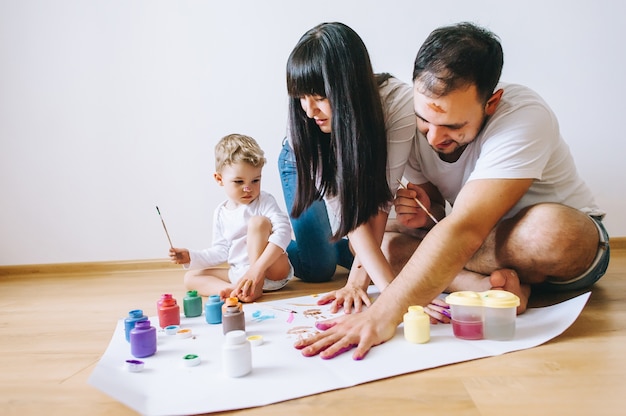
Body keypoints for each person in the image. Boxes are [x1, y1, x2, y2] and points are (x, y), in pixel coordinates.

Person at [295, 22, 610, 360]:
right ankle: (490, 287)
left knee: (547, 232)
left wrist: (384, 312)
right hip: (484, 251)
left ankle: (471, 280)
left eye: (453, 127)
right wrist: (424, 211)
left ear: (491, 103)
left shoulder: (524, 115)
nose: (433, 138)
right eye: (424, 121)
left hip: (557, 250)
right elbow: (441, 218)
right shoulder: (411, 121)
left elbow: (465, 229)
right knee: (383, 243)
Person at [278, 22, 416, 312]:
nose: (308, 110)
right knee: (319, 267)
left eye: (319, 97)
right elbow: (352, 218)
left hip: (355, 164)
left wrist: (374, 288)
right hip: (300, 161)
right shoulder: (307, 126)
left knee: (358, 247)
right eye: (301, 97)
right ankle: (267, 247)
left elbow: (378, 203)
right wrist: (393, 297)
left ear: (348, 89)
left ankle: (343, 247)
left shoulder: (399, 103)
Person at [169, 134, 294, 303]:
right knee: (190, 277)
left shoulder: (264, 201)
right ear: (219, 179)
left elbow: (284, 231)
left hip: (271, 270)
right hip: (241, 274)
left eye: (255, 180)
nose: (248, 188)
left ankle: (255, 285)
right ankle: (232, 291)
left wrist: (256, 269)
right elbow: (220, 251)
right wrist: (191, 257)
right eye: (238, 182)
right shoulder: (221, 213)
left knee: (258, 222)